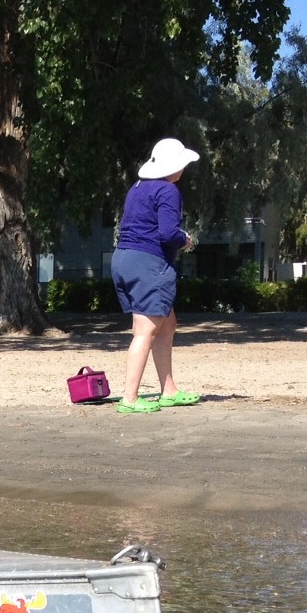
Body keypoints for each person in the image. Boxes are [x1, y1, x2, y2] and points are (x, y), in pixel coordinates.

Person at [111, 137, 203, 413]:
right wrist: (185, 239)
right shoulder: (168, 190)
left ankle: (169, 389)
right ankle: (129, 398)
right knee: (145, 330)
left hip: (123, 258)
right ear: (175, 167)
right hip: (148, 263)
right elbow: (167, 233)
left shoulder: (137, 187)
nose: (183, 169)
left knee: (167, 323)